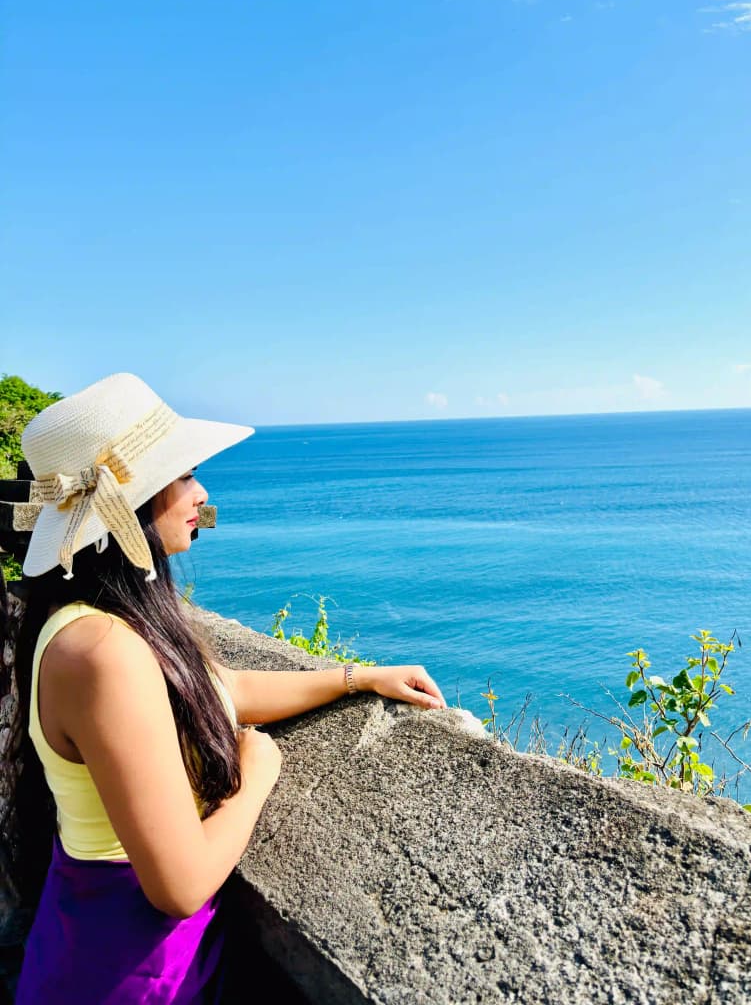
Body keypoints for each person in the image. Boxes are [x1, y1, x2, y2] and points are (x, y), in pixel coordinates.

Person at [5, 372, 446, 1003]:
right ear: (126, 502)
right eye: (181, 475)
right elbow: (179, 884)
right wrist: (259, 770)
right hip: (124, 968)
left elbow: (214, 687)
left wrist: (357, 677)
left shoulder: (93, 620)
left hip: (110, 945)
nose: (201, 493)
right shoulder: (103, 652)